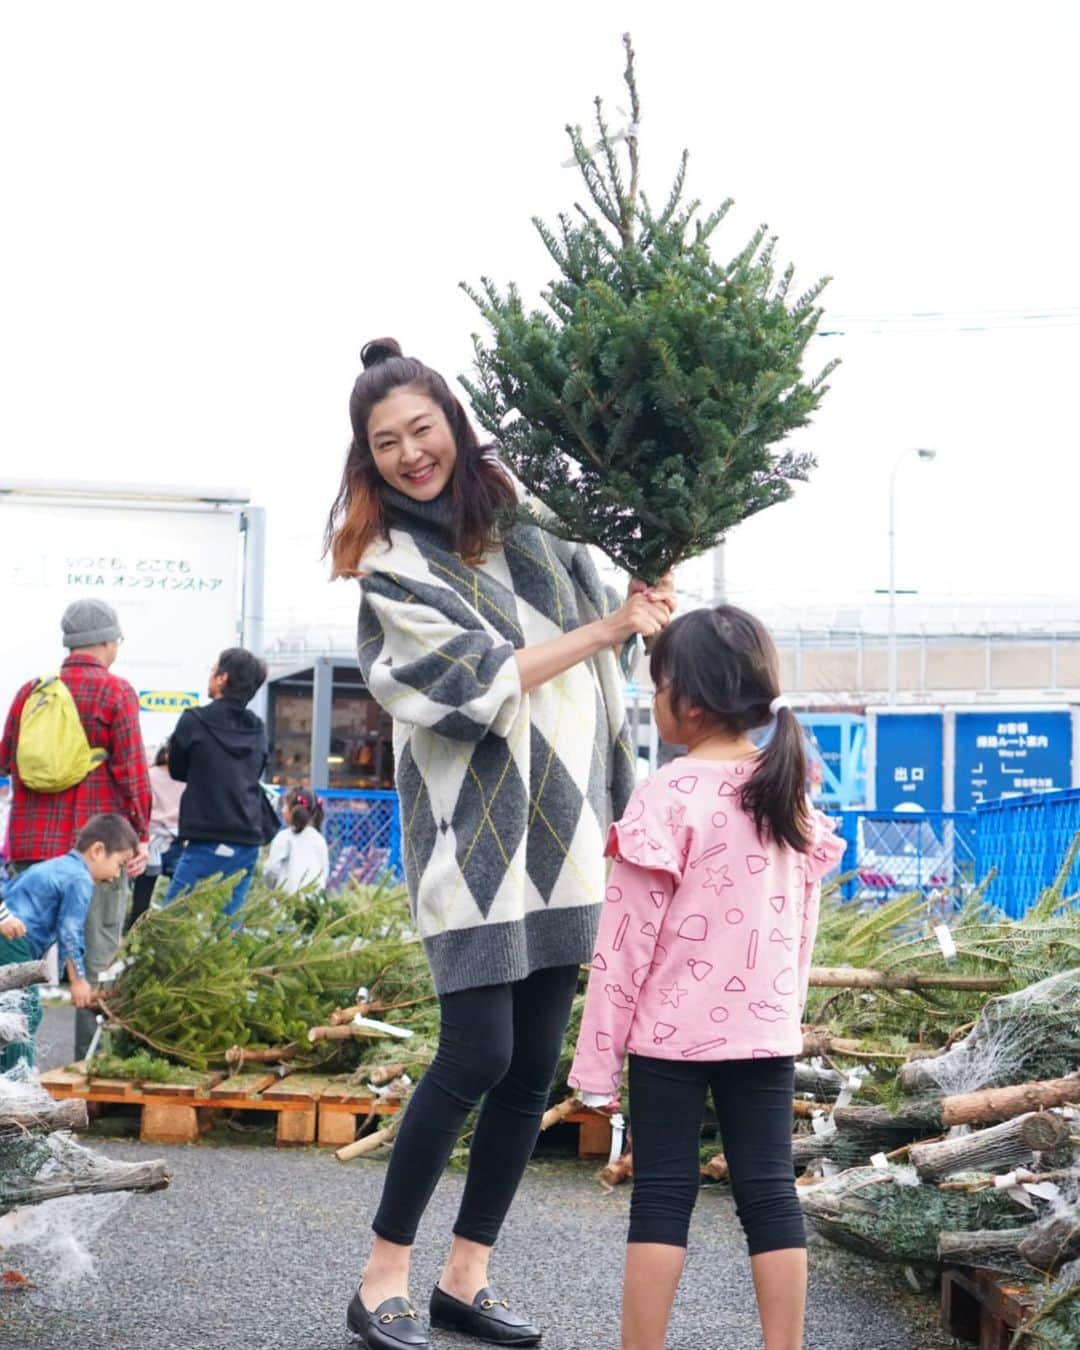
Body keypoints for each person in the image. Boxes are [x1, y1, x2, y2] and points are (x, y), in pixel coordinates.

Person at [326, 338, 674, 1350]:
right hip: (472, 844)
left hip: (569, 831)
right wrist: (609, 631)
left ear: (454, 422)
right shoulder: (388, 566)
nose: (410, 454)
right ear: (368, 458)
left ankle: (464, 1274)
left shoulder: (528, 518)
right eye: (385, 442)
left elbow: (613, 583)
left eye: (422, 429)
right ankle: (380, 1272)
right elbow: (471, 685)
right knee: (475, 1049)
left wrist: (648, 589)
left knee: (530, 1064)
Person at [568, 606, 846, 1350]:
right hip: (765, 1031)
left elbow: (622, 944)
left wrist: (597, 1064)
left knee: (662, 1194)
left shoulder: (666, 795)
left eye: (657, 685)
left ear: (688, 700)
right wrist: (783, 1008)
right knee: (769, 1195)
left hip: (668, 1036)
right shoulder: (787, 791)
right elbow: (801, 926)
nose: (654, 701)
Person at [0, 599, 150, 1059]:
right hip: (94, 854)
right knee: (95, 954)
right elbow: (131, 771)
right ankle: (87, 1068)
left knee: (18, 958)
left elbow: (7, 756)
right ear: (107, 641)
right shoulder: (115, 692)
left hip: (32, 845)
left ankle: (11, 1066)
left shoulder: (33, 691)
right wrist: (139, 836)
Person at [0, 813, 138, 1070]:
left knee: (10, 1011)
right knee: (24, 1011)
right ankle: (16, 1087)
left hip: (10, 940)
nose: (116, 874)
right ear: (98, 850)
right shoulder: (79, 878)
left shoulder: (58, 865)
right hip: (13, 941)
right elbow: (70, 931)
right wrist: (78, 981)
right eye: (120, 864)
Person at [164, 648, 270, 916]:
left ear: (222, 678)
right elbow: (256, 770)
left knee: (168, 923)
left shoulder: (193, 720)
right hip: (248, 835)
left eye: (213, 670)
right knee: (226, 926)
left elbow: (176, 769)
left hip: (207, 833)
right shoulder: (257, 727)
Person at [125, 740, 185, 932]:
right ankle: (151, 930)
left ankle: (137, 931)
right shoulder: (155, 776)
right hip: (160, 840)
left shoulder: (183, 777)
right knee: (178, 891)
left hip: (162, 840)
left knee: (144, 894)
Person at [263, 787, 329, 893]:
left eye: (285, 805)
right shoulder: (320, 840)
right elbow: (324, 872)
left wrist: (271, 887)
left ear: (294, 810)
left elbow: (271, 869)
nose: (282, 810)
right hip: (313, 903)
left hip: (284, 902)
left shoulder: (284, 838)